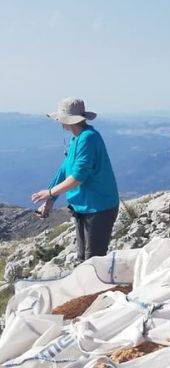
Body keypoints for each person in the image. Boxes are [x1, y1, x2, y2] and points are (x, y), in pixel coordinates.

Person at [30, 98, 120, 262]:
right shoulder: (76, 140)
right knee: (83, 258)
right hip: (84, 207)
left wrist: (49, 192)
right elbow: (64, 170)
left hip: (99, 207)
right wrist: (51, 200)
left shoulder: (88, 139)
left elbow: (78, 177)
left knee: (94, 260)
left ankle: (97, 287)